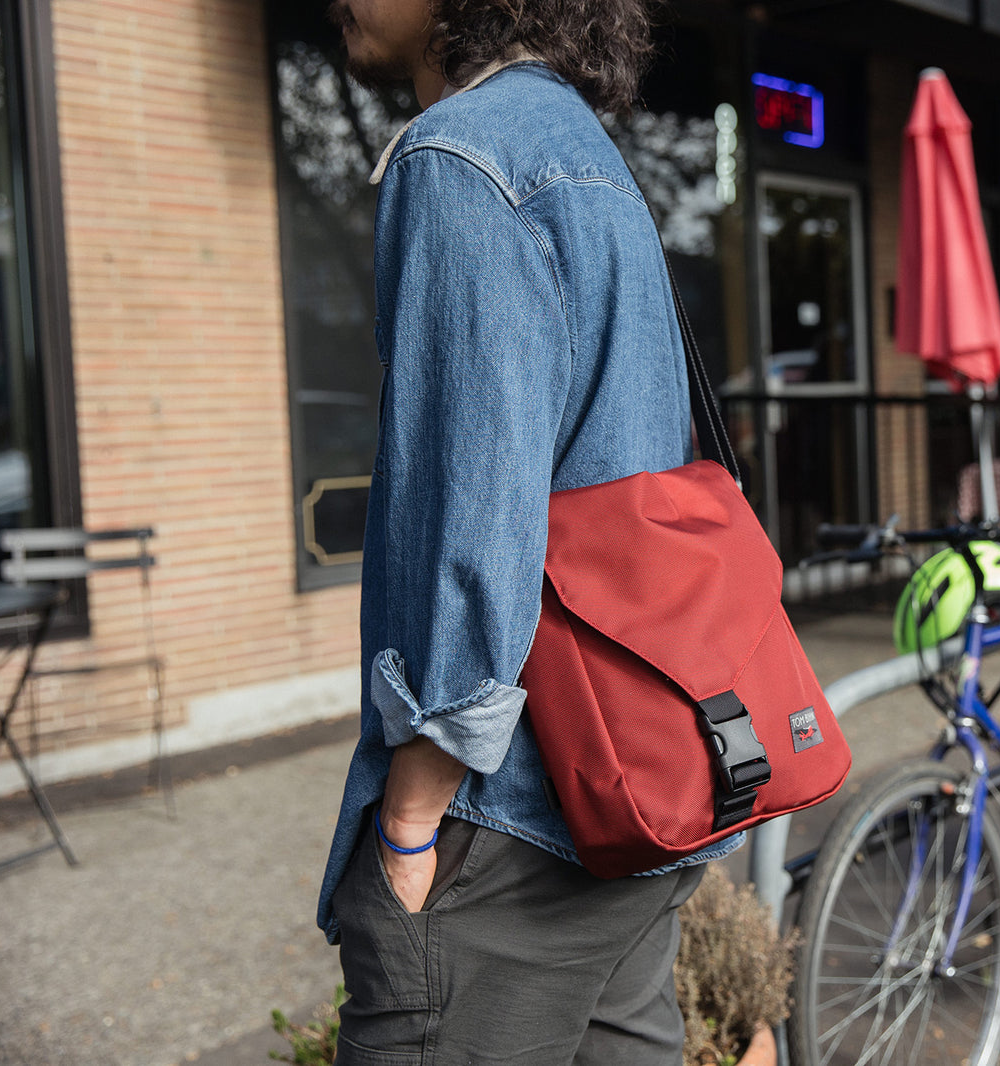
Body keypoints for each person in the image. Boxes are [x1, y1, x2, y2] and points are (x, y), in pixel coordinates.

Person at [315, 2, 736, 1062]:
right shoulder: (584, 151)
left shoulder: (460, 156)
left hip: (500, 830)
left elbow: (475, 508)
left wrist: (412, 821)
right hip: (629, 789)